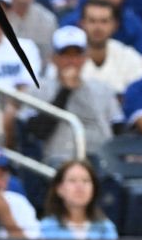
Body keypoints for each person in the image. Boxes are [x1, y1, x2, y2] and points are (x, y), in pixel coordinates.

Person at [28, 26, 122, 164]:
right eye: (65, 54)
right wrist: (65, 90)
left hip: (99, 158)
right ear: (54, 58)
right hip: (58, 159)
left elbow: (118, 128)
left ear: (85, 57)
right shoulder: (39, 89)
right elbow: (38, 133)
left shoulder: (102, 89)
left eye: (77, 54)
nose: (72, 61)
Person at [79, 0, 142, 97]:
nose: (98, 27)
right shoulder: (68, 56)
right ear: (82, 24)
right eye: (92, 21)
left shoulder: (129, 57)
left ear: (115, 25)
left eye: (104, 21)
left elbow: (140, 95)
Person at [39, 159, 120, 240]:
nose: (80, 186)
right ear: (59, 189)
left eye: (85, 181)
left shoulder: (105, 228)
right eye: (72, 180)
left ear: (94, 188)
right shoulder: (45, 228)